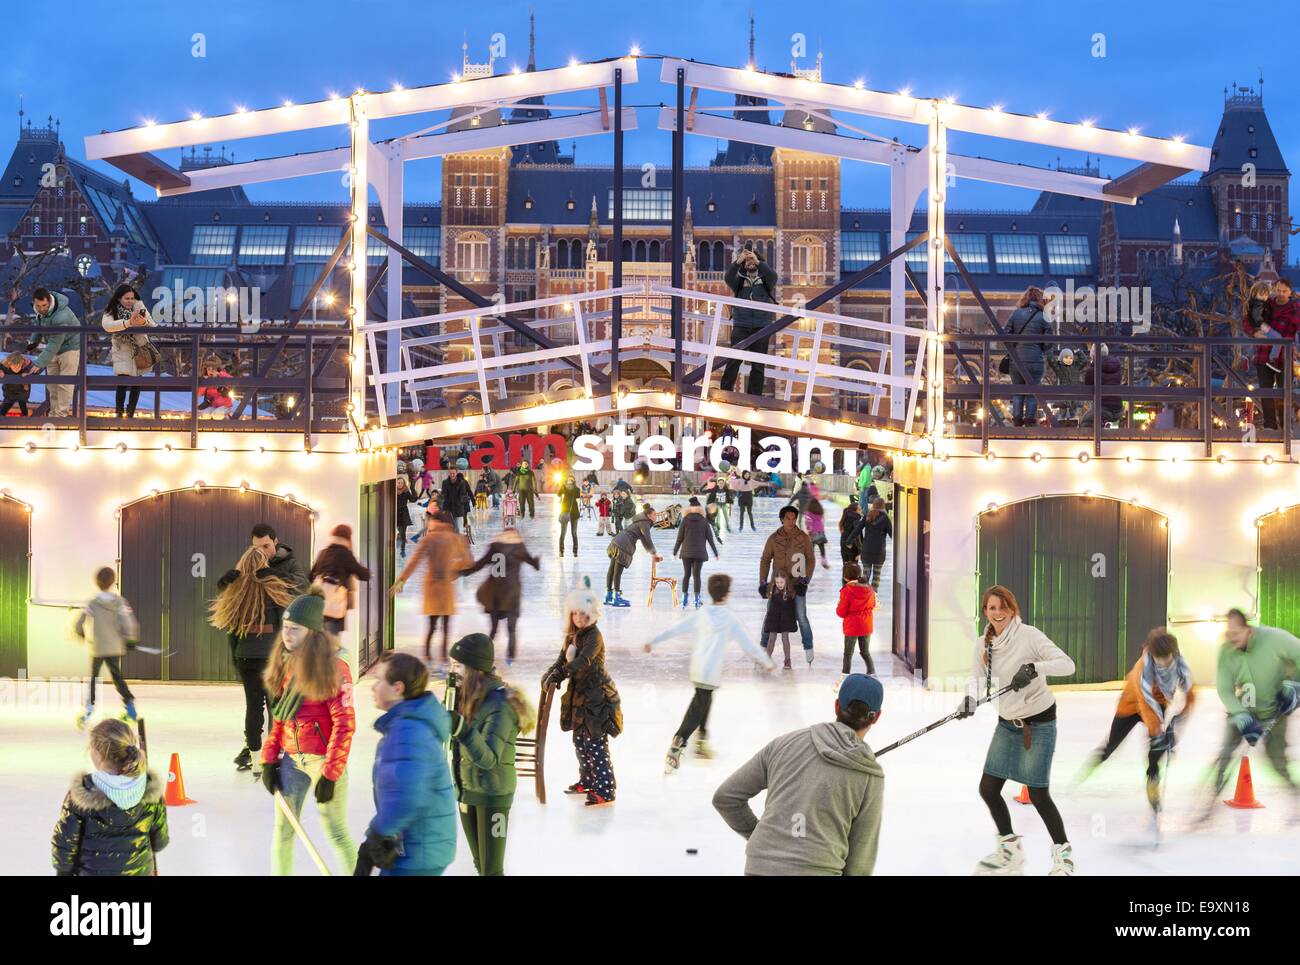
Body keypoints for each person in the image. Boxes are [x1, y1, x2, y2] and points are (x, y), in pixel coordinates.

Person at [955, 585, 1077, 876]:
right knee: (988, 788)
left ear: (1012, 609)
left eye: (1002, 607)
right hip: (1007, 723)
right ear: (985, 611)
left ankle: (1064, 857)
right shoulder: (983, 643)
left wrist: (1034, 667)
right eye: (991, 608)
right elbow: (976, 679)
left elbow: (1068, 665)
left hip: (1038, 722)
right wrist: (969, 700)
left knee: (1037, 793)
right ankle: (1010, 850)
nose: (997, 614)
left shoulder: (1029, 636)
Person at [713, 674, 885, 876]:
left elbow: (726, 798)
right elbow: (860, 861)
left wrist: (764, 839)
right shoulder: (868, 774)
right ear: (876, 717)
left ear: (837, 706)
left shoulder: (783, 744)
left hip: (760, 868)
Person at [259, 591, 358, 875]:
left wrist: (330, 774)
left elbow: (344, 725)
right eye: (285, 628)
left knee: (336, 831)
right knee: (283, 830)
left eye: (295, 629)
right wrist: (268, 758)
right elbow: (279, 717)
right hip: (291, 758)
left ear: (312, 632)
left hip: (323, 761)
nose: (287, 634)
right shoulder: (286, 662)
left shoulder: (334, 668)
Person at [644, 573, 774, 770]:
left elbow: (676, 629)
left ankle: (701, 740)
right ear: (726, 594)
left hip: (698, 668)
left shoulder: (702, 614)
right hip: (711, 671)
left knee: (704, 699)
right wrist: (765, 661)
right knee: (699, 705)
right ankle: (679, 741)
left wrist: (653, 642)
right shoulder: (730, 619)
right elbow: (748, 643)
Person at [358, 651, 457, 876]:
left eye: (379, 680)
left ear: (397, 688)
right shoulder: (407, 725)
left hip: (418, 851)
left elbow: (408, 796)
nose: (373, 688)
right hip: (417, 845)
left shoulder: (408, 730)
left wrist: (376, 835)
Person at [1079, 627, 1193, 817]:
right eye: (1160, 661)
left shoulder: (1180, 664)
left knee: (1155, 751)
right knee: (1111, 746)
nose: (1164, 664)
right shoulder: (1143, 669)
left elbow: (1190, 694)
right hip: (1132, 705)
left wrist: (1177, 724)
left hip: (1159, 703)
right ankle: (1092, 765)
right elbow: (1146, 705)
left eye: (1168, 660)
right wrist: (1158, 732)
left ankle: (1152, 781)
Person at [447, 633, 536, 876]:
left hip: (494, 793)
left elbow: (488, 759)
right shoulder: (467, 697)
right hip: (467, 790)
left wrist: (461, 729)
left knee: (492, 870)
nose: (452, 672)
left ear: (474, 669)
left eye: (458, 666)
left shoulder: (500, 704)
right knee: (480, 865)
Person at [1200, 608, 1300, 819]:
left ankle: (1296, 796)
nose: (1232, 638)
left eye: (1236, 633)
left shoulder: (1275, 639)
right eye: (1229, 633)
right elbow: (1225, 688)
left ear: (1249, 630)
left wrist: (1294, 687)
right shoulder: (1226, 651)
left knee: (1277, 762)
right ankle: (1208, 805)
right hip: (1243, 711)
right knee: (1225, 755)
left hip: (1275, 711)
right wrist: (1241, 715)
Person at [211, 545, 299, 773]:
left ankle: (254, 756)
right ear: (263, 564)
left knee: (253, 707)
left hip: (245, 657)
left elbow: (231, 631)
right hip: (271, 658)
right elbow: (284, 626)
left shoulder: (236, 592)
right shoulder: (274, 589)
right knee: (276, 707)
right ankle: (272, 756)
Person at [51, 719, 168, 876]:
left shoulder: (83, 792)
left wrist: (63, 871)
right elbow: (159, 842)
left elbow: (65, 846)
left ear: (98, 753)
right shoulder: (149, 790)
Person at [543, 579, 622, 807]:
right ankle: (588, 780)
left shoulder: (594, 636)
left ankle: (605, 789)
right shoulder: (572, 635)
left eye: (584, 614)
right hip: (579, 697)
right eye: (575, 614)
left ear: (593, 613)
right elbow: (561, 660)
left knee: (595, 743)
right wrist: (549, 674)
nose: (579, 618)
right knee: (580, 741)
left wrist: (560, 675)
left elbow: (583, 662)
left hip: (597, 698)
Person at [392, 510, 473, 667]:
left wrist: (401, 581)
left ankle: (428, 655)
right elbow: (468, 562)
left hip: (432, 587)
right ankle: (443, 656)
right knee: (446, 626)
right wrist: (452, 570)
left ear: (435, 522)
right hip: (446, 588)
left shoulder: (429, 539)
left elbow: (414, 562)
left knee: (431, 626)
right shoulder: (455, 539)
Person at [73, 566, 140, 729]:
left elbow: (79, 622)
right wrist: (130, 639)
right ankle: (130, 708)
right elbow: (128, 622)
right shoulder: (119, 602)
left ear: (96, 582)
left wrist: (81, 633)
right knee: (117, 677)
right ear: (113, 581)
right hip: (114, 647)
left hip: (98, 647)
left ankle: (88, 709)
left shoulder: (92, 603)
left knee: (94, 678)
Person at [463, 527, 539, 664]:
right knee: (511, 629)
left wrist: (465, 571)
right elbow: (533, 563)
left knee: (494, 628)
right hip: (512, 593)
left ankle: (485, 654)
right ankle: (510, 657)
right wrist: (536, 562)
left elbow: (481, 563)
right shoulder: (519, 547)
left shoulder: (495, 547)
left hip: (496, 593)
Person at [759, 505, 816, 661]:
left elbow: (811, 559)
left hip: (797, 583)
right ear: (782, 520)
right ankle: (763, 647)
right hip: (777, 585)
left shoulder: (803, 538)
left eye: (794, 518)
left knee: (801, 616)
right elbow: (765, 560)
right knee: (770, 615)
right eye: (788, 519)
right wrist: (763, 582)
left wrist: (806, 581)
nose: (791, 522)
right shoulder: (773, 538)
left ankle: (808, 648)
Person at [720, 246, 779, 395]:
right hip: (741, 325)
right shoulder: (738, 281)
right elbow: (727, 278)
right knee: (734, 359)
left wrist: (758, 262)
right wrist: (737, 261)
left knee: (758, 364)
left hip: (762, 326)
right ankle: (725, 390)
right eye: (747, 261)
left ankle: (754, 396)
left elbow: (773, 276)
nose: (750, 263)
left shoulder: (766, 279)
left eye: (752, 260)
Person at [1245, 279, 1300, 430]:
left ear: (1290, 292)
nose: (1281, 294)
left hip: (1284, 357)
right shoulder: (1267, 303)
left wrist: (1295, 347)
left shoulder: (1295, 308)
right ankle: (1270, 427)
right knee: (1266, 393)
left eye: (1284, 291)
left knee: (1285, 393)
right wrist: (1254, 332)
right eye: (1279, 290)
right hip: (1263, 355)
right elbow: (1247, 320)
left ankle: (1284, 428)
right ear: (1275, 289)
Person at [100, 283, 157, 420]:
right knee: (122, 381)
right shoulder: (111, 310)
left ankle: (130, 413)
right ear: (119, 298)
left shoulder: (139, 307)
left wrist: (143, 322)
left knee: (137, 381)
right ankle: (119, 414)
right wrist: (128, 323)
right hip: (122, 348)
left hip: (139, 349)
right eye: (127, 298)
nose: (130, 301)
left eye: (132, 298)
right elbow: (107, 326)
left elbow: (152, 324)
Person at [308, 524, 371, 635]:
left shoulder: (323, 553)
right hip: (334, 607)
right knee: (332, 642)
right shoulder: (345, 554)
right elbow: (363, 575)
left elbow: (310, 576)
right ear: (348, 538)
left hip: (318, 606)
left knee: (319, 640)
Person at [28, 287, 82, 418]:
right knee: (51, 384)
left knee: (64, 383)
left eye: (44, 305)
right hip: (52, 348)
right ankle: (53, 414)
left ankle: (60, 415)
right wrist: (33, 342)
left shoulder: (61, 316)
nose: (41, 308)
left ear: (49, 302)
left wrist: (40, 362)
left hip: (70, 347)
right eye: (38, 305)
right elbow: (39, 324)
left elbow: (55, 343)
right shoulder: (40, 311)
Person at [1004, 286, 1052, 428]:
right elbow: (1049, 340)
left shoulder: (1016, 314)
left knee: (1018, 391)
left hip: (1017, 360)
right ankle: (1030, 422)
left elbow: (1005, 333)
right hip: (1035, 360)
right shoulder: (1043, 316)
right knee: (1032, 392)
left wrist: (1015, 347)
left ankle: (1017, 422)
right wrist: (1041, 348)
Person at [604, 502, 662, 607]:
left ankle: (608, 596)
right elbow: (647, 539)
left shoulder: (641, 521)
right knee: (617, 572)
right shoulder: (645, 523)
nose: (656, 517)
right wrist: (654, 553)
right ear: (649, 515)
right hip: (624, 544)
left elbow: (644, 540)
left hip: (617, 540)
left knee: (612, 569)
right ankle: (616, 597)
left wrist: (652, 553)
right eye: (654, 515)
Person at [674, 496, 719, 609]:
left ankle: (684, 598)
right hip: (699, 553)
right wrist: (716, 553)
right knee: (696, 575)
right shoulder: (704, 521)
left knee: (687, 574)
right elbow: (710, 539)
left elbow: (679, 538)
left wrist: (675, 551)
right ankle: (697, 599)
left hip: (686, 553)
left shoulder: (685, 520)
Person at [836, 563, 877, 676]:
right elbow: (873, 604)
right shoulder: (869, 588)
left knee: (848, 653)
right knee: (865, 651)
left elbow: (841, 612)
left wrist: (838, 608)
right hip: (866, 625)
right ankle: (871, 672)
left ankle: (845, 675)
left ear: (845, 576)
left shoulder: (846, 590)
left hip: (852, 627)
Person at [1081, 344, 1123, 428]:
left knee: (1085, 420)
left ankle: (1097, 439)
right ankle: (1102, 431)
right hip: (1118, 409)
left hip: (1102, 408)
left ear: (1093, 355)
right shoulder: (1117, 368)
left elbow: (1087, 389)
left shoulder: (1092, 370)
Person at [761, 574, 799, 669]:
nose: (779, 584)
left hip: (785, 619)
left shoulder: (790, 593)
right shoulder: (772, 591)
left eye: (781, 582)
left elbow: (792, 608)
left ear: (786, 582)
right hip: (774, 618)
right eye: (777, 582)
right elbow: (763, 594)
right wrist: (763, 584)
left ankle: (787, 660)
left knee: (785, 638)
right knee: (771, 639)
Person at [859, 498, 892, 592]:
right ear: (883, 506)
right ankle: (873, 597)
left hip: (866, 550)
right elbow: (892, 534)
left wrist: (848, 541)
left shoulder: (868, 515)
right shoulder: (885, 518)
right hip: (879, 551)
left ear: (873, 505)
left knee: (865, 575)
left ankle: (863, 596)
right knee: (876, 576)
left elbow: (858, 529)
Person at [196, 354, 235, 419]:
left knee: (217, 414)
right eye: (208, 369)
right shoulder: (207, 380)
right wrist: (205, 383)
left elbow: (232, 380)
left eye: (213, 369)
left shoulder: (223, 376)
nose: (210, 371)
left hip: (225, 406)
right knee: (205, 415)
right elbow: (199, 393)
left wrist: (220, 374)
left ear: (217, 369)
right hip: (213, 406)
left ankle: (227, 417)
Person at [1, 351, 37, 416]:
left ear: (22, 363)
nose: (17, 368)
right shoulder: (4, 364)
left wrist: (29, 373)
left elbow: (38, 368)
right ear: (9, 364)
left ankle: (24, 419)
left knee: (23, 406)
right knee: (5, 407)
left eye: (18, 366)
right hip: (9, 391)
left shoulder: (27, 365)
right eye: (14, 366)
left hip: (22, 391)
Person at [440, 467, 473, 534]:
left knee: (459, 530)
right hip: (448, 510)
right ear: (449, 473)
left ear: (456, 473)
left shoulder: (461, 483)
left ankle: (459, 543)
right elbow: (444, 494)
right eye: (451, 473)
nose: (452, 475)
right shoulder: (445, 482)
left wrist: (464, 498)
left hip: (458, 510)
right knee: (449, 530)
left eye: (453, 473)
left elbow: (463, 494)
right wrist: (441, 498)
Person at [805, 483, 829, 569]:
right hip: (821, 531)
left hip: (813, 533)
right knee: (822, 547)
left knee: (811, 548)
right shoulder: (820, 511)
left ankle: (809, 563)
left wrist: (809, 531)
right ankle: (824, 560)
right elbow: (822, 521)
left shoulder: (808, 512)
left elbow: (808, 522)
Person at [838, 496, 864, 581]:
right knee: (853, 571)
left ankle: (844, 590)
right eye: (860, 509)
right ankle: (851, 590)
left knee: (845, 569)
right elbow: (858, 536)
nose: (861, 511)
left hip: (843, 545)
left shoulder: (845, 518)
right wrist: (860, 552)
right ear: (855, 511)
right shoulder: (856, 520)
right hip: (853, 547)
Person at [558, 475, 581, 557]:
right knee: (563, 533)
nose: (570, 481)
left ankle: (575, 551)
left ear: (574, 481)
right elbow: (559, 493)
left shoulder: (576, 489)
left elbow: (577, 495)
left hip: (574, 512)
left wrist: (573, 486)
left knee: (574, 533)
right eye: (568, 480)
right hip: (565, 511)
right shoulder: (564, 488)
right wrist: (564, 486)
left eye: (572, 480)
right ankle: (561, 551)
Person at [396, 474, 414, 558]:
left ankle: (402, 550)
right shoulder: (393, 492)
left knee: (403, 534)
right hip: (395, 513)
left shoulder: (406, 492)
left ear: (403, 484)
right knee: (398, 531)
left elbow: (413, 500)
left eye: (401, 483)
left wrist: (412, 488)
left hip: (403, 514)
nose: (399, 484)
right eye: (398, 483)